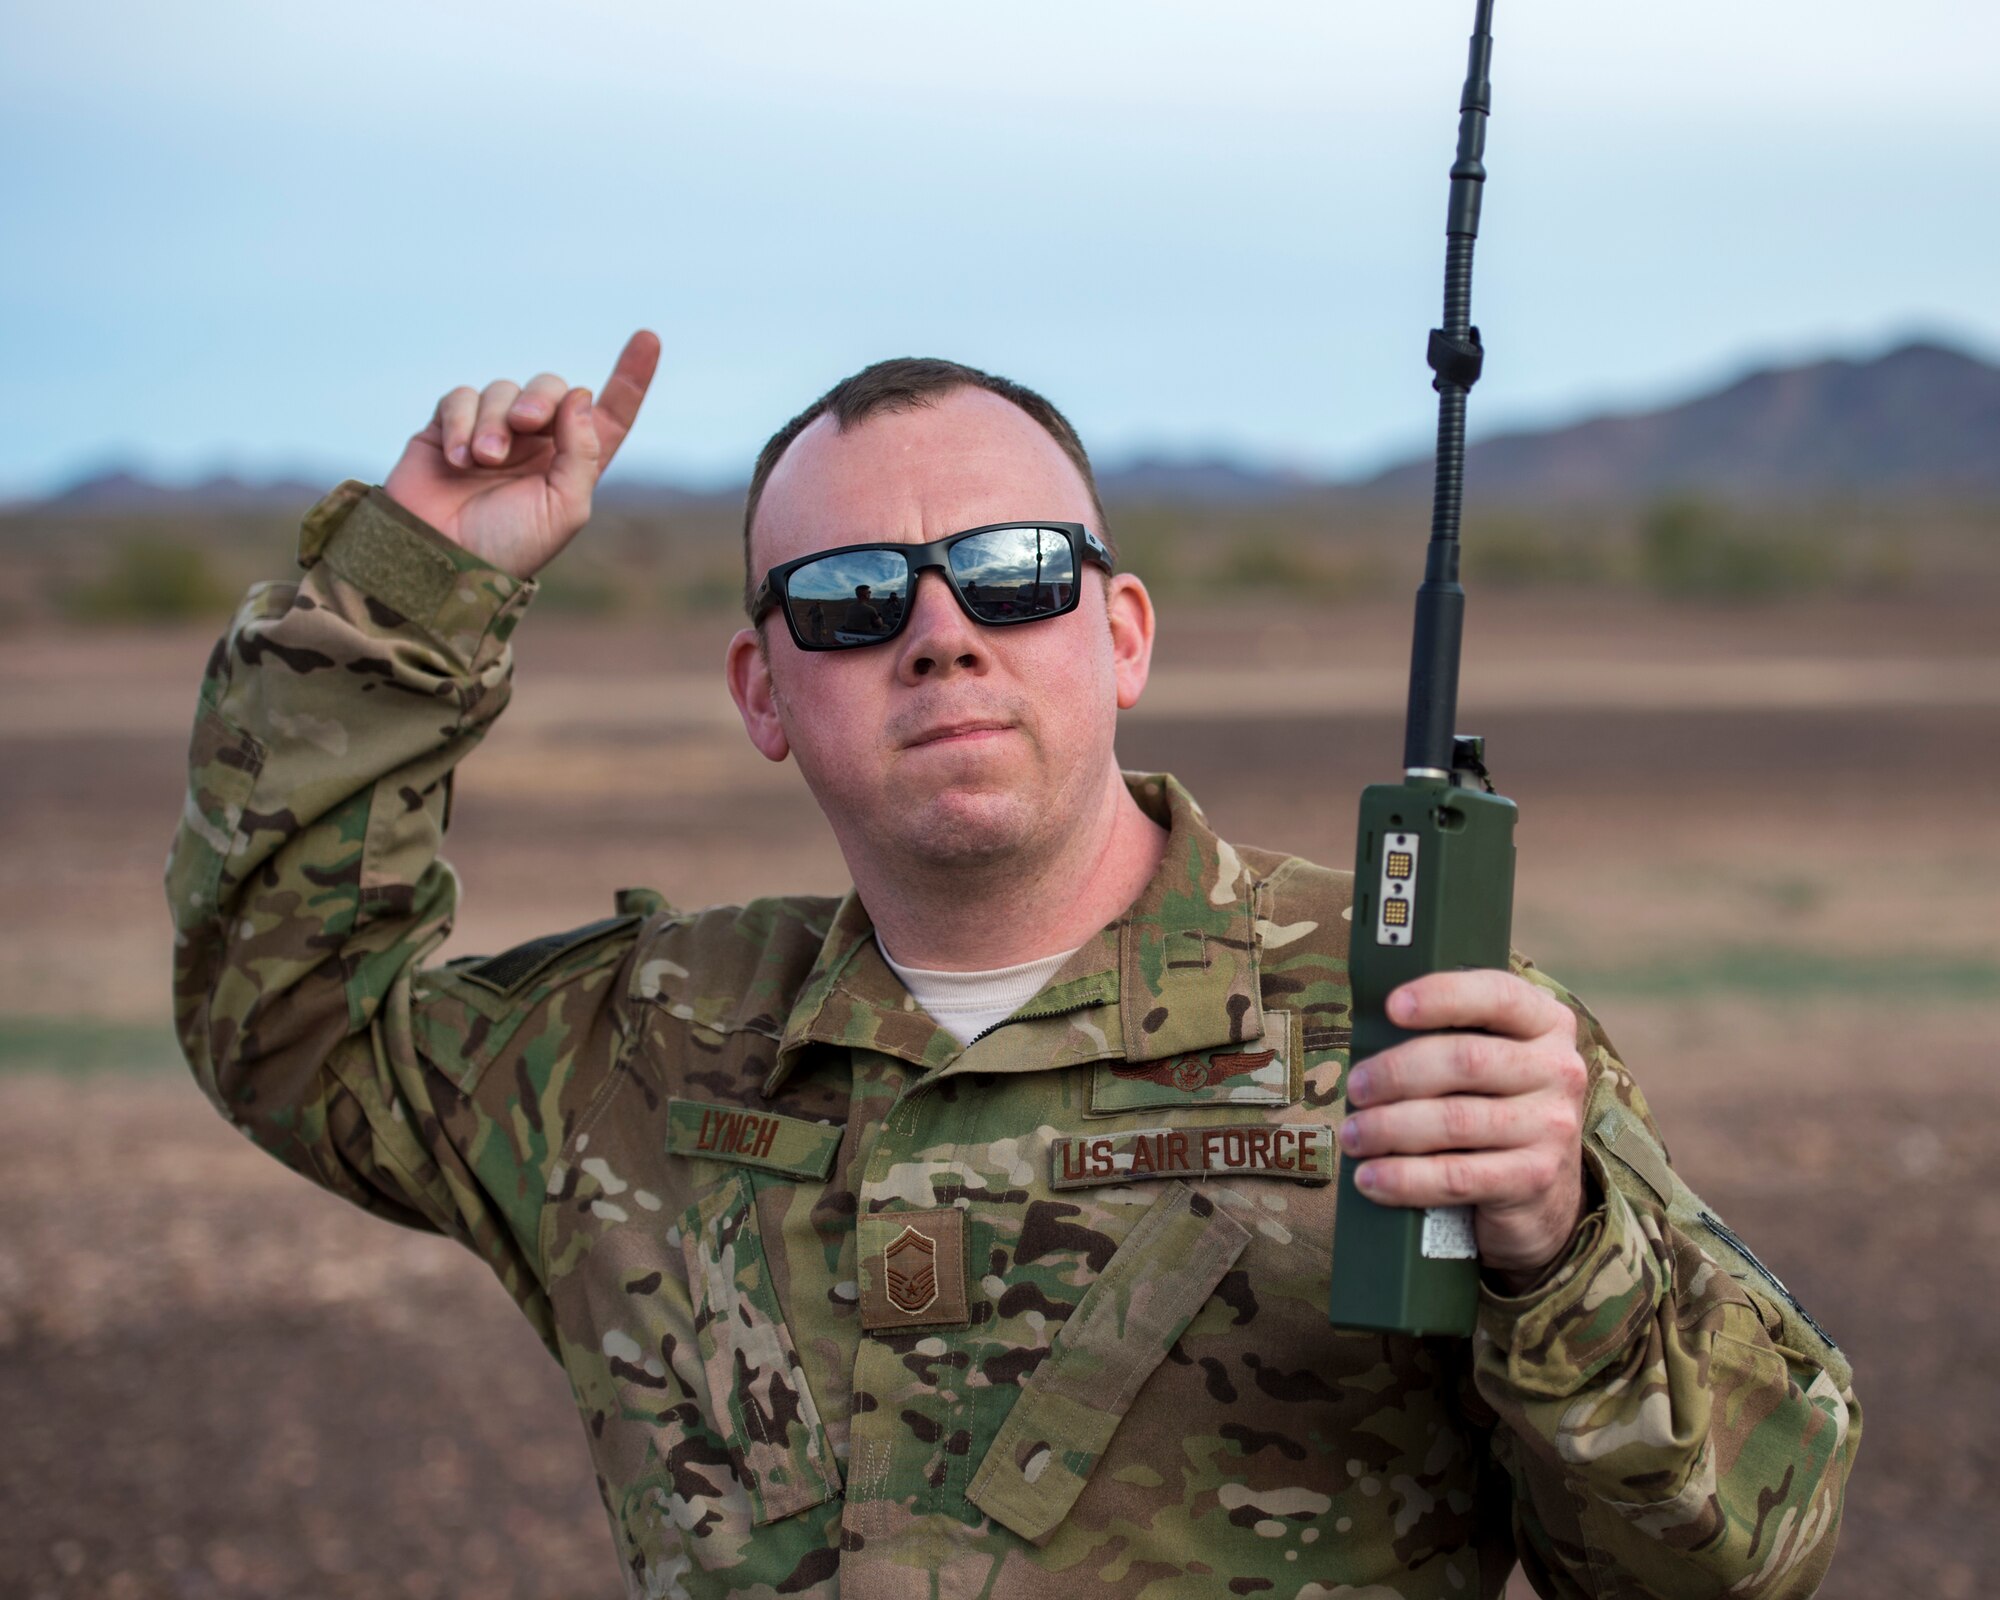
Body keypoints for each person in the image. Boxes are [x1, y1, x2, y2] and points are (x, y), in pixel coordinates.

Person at [167, 330, 1859, 1599]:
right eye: (848, 597)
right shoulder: (647, 1051)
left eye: (1013, 571)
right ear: (765, 692)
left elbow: (1733, 1559)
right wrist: (411, 586)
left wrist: (1553, 1248)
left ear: (1118, 634)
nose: (943, 629)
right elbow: (291, 1015)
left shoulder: (1412, 1027)